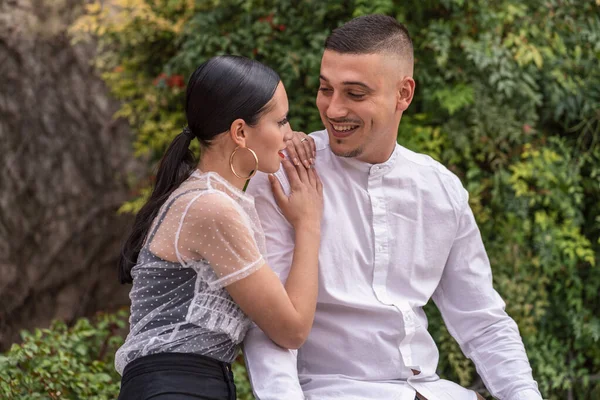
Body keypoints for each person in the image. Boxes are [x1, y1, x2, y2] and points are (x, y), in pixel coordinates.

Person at [243, 15, 544, 400]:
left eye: (355, 94)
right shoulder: (285, 177)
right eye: (325, 89)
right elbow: (269, 328)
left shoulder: (441, 190)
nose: (333, 109)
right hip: (337, 392)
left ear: (404, 94)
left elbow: (482, 321)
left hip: (435, 391)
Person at [114, 55, 323, 400]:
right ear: (240, 132)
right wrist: (309, 224)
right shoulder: (211, 208)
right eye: (281, 121)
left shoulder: (208, 198)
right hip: (176, 389)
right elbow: (292, 329)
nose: (289, 133)